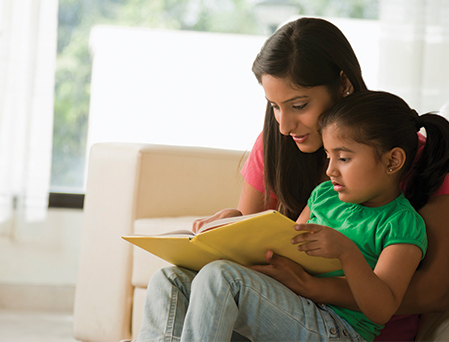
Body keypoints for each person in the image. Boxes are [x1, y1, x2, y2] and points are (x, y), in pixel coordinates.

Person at [136, 17, 449, 341]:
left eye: (299, 105)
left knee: (220, 278)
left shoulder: (410, 177)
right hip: (289, 306)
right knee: (170, 279)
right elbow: (278, 244)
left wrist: (313, 285)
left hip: (342, 323)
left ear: (342, 84)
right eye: (274, 106)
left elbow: (429, 292)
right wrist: (233, 226)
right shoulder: (320, 189)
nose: (285, 126)